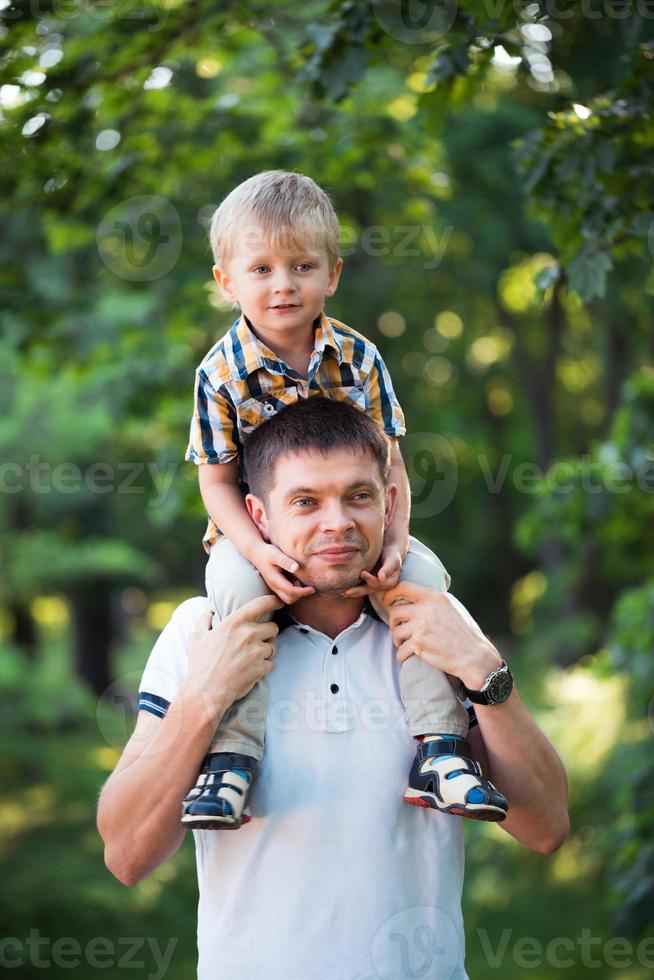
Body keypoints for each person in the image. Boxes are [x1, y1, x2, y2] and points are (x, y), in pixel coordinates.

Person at [97, 397, 569, 980]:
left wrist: (483, 671)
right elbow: (126, 855)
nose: (338, 522)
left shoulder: (434, 620)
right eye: (305, 502)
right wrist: (204, 698)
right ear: (256, 517)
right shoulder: (203, 632)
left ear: (389, 502)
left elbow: (546, 827)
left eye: (359, 496)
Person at [183, 169, 507, 828]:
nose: (283, 285)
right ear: (227, 281)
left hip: (358, 526)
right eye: (263, 268)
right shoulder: (219, 375)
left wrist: (392, 540)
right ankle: (231, 760)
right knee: (239, 596)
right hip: (256, 533)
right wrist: (257, 551)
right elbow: (215, 481)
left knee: (420, 580)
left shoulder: (358, 359)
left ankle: (441, 749)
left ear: (332, 274)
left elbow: (392, 466)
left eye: (303, 266)